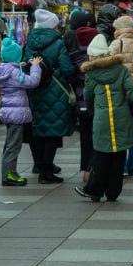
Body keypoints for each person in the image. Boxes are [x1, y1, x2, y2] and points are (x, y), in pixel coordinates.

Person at [77, 34, 133, 202]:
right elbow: (132, 92)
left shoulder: (91, 74)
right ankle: (113, 192)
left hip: (102, 120)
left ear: (94, 55)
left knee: (101, 156)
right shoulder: (122, 70)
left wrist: (92, 109)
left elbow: (88, 97)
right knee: (118, 156)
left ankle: (94, 190)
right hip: (121, 118)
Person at [25, 10, 76, 184]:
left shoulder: (29, 41)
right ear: (52, 26)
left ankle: (40, 165)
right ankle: (46, 172)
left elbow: (25, 66)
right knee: (53, 132)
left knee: (39, 129)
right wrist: (58, 73)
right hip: (55, 92)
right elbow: (67, 68)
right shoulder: (58, 43)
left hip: (35, 90)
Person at [0, 38, 42, 186]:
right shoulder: (14, 73)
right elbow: (32, 81)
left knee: (10, 143)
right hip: (16, 113)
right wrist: (35, 66)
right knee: (14, 145)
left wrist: (18, 66)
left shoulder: (3, 68)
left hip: (8, 111)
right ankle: (9, 175)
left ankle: (9, 172)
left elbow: (14, 75)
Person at [109, 15, 133, 177]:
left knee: (121, 130)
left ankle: (123, 166)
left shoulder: (117, 44)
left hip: (122, 94)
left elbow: (109, 67)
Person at [67, 11, 100, 176]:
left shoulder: (74, 55)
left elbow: (71, 76)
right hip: (95, 102)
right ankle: (94, 168)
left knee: (85, 136)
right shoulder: (97, 58)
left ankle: (85, 168)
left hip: (80, 102)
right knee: (97, 136)